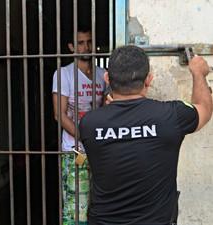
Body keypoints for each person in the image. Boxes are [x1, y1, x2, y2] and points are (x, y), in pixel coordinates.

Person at [79, 45, 212, 225]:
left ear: (107, 78)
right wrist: (198, 73)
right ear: (149, 79)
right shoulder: (172, 115)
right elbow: (204, 108)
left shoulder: (89, 124)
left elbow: (120, 136)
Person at [52, 26, 106, 224]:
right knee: (76, 206)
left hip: (101, 150)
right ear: (71, 47)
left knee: (101, 204)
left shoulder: (103, 74)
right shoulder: (63, 74)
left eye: (89, 41)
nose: (86, 47)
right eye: (81, 43)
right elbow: (59, 114)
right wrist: (85, 138)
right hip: (75, 151)